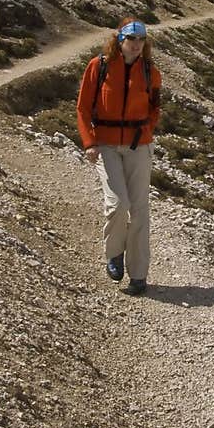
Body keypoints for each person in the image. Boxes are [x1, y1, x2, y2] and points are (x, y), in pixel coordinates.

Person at [76, 19, 162, 295]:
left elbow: (155, 108)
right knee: (118, 204)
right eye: (130, 40)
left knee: (139, 211)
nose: (135, 45)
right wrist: (89, 143)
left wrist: (147, 129)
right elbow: (82, 109)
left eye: (140, 41)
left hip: (139, 146)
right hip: (106, 145)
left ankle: (138, 274)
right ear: (120, 40)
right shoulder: (98, 67)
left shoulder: (150, 72)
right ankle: (114, 254)